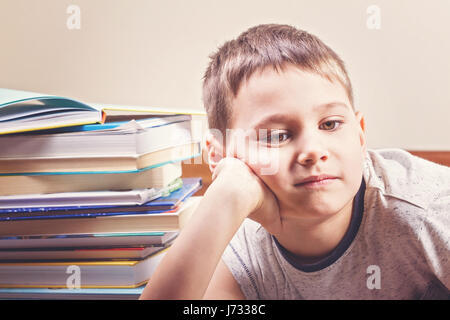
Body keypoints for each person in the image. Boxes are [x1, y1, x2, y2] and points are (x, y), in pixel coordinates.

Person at [140, 24, 450, 300]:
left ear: (360, 134)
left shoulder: (425, 210)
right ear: (220, 155)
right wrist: (225, 197)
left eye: (330, 124)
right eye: (276, 136)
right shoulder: (237, 241)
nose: (313, 151)